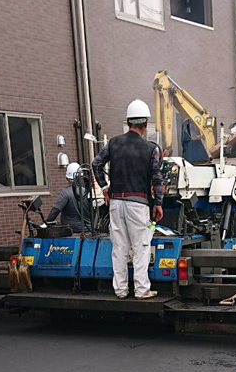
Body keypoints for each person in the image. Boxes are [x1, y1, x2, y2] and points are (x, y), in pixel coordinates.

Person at [92, 99, 164, 300]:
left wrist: (104, 187)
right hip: (138, 204)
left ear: (128, 121)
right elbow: (157, 178)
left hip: (116, 203)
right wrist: (158, 203)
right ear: (145, 124)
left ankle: (121, 290)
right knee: (141, 247)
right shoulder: (150, 148)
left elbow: (96, 164)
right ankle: (141, 290)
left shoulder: (113, 143)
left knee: (119, 248)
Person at [46, 162, 91, 233]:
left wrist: (46, 223)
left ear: (67, 178)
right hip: (88, 230)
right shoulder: (87, 191)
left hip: (72, 231)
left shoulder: (65, 193)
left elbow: (55, 211)